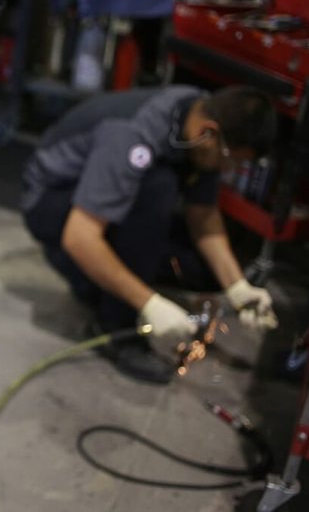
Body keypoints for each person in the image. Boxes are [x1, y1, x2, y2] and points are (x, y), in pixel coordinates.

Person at [21, 85, 279, 384]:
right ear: (209, 131)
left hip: (104, 203)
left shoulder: (196, 119)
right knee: (159, 187)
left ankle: (107, 282)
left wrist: (237, 287)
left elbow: (204, 214)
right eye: (230, 160)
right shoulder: (132, 135)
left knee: (202, 271)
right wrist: (148, 304)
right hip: (53, 203)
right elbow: (79, 237)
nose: (228, 168)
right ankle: (114, 330)